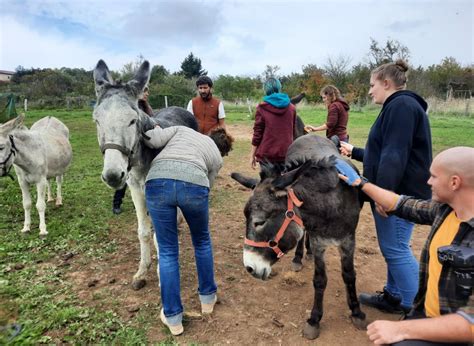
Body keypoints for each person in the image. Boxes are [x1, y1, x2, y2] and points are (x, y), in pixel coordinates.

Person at [335, 147, 473, 346]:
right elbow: (402, 204)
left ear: (454, 182)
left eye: (433, 176)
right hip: (426, 313)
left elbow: (471, 323)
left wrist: (401, 329)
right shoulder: (447, 211)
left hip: (452, 334)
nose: (428, 182)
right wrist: (361, 183)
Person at [340, 60, 433, 313]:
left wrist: (385, 195)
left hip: (399, 193)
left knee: (396, 249)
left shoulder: (401, 106)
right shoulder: (400, 106)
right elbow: (384, 151)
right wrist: (357, 152)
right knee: (394, 248)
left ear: (386, 83)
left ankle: (421, 314)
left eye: (372, 85)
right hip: (397, 190)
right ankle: (394, 297)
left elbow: (395, 153)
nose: (370, 91)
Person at [143, 124, 227, 336]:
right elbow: (209, 185)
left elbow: (151, 140)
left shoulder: (180, 129)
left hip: (157, 181)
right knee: (202, 241)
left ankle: (173, 319)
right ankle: (207, 300)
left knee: (168, 251)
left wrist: (155, 127)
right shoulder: (217, 156)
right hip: (194, 185)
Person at [112, 86, 154, 215]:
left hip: (141, 148)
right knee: (125, 176)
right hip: (128, 148)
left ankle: (148, 205)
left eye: (147, 91)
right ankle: (117, 203)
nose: (145, 94)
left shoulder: (145, 107)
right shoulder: (128, 107)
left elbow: (152, 121)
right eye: (143, 92)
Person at [250, 77, 297, 171]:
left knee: (268, 184)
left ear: (265, 90)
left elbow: (257, 134)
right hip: (286, 153)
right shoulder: (292, 108)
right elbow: (292, 131)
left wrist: (252, 155)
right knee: (283, 183)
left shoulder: (262, 108)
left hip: (267, 155)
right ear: (279, 87)